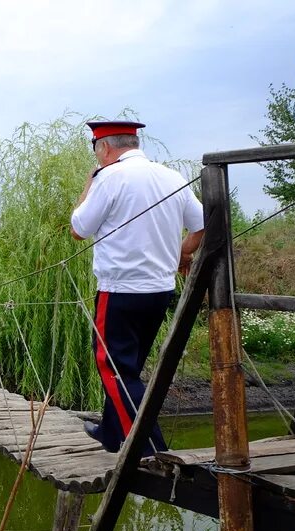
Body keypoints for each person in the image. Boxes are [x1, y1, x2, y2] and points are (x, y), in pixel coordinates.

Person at [70, 120, 204, 455]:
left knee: (112, 368)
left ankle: (147, 449)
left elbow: (78, 229)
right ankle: (111, 432)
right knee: (126, 368)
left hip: (119, 291)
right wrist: (184, 250)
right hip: (159, 292)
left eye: (96, 151)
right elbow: (203, 221)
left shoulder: (109, 177)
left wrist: (89, 184)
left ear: (105, 148)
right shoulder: (171, 176)